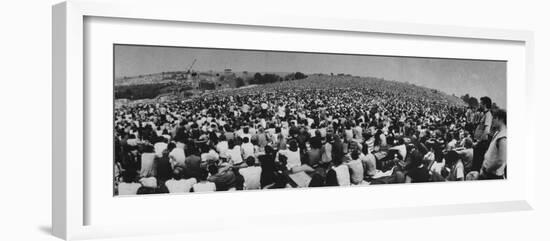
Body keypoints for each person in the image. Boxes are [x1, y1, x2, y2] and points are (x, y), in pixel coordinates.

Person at [480, 109, 507, 180]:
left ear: (501, 119)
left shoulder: (503, 137)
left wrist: (488, 170)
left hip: (493, 175)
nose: (492, 120)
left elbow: (501, 161)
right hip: (488, 172)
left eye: (494, 118)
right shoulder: (498, 133)